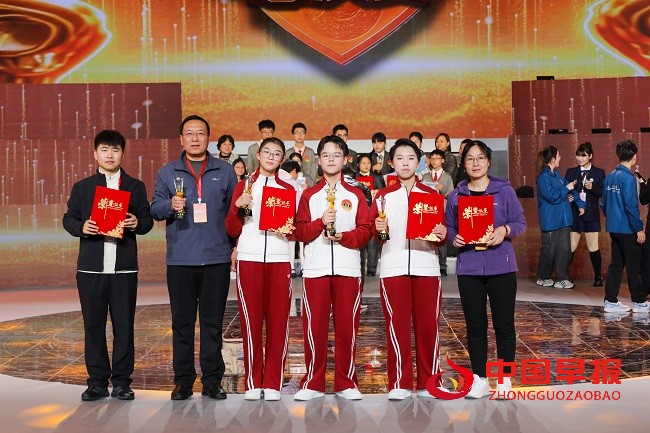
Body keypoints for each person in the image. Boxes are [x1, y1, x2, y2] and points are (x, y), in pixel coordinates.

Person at [63, 129, 154, 401]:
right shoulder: (83, 187)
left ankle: (122, 382)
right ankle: (97, 382)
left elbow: (147, 220)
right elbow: (69, 219)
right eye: (104, 150)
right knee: (93, 326)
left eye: (115, 150)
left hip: (123, 268)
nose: (110, 155)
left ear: (122, 154)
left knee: (124, 326)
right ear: (95, 154)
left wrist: (137, 223)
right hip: (91, 268)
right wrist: (82, 227)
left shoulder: (134, 186)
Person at [151, 115, 237, 401]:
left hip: (216, 258)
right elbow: (154, 209)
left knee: (212, 324)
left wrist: (235, 247)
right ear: (181, 139)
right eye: (189, 133)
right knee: (182, 324)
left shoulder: (225, 171)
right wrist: (169, 204)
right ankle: (183, 381)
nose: (195, 138)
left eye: (200, 133)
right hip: (180, 259)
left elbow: (234, 214)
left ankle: (212, 381)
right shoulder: (167, 172)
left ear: (208, 138)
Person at [293, 134, 373, 401]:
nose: (330, 159)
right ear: (318, 160)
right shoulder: (309, 195)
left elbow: (366, 231)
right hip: (315, 270)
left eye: (336, 155)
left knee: (346, 328)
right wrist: (319, 223)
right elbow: (300, 232)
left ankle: (346, 382)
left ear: (345, 159)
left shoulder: (356, 194)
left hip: (348, 269)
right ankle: (312, 383)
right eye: (326, 155)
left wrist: (343, 237)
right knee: (314, 328)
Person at [445, 140, 527, 399]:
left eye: (480, 158)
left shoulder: (504, 191)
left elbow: (520, 222)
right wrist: (454, 237)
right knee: (475, 326)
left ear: (489, 161)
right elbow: (449, 227)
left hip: (501, 265)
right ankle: (480, 379)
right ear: (464, 164)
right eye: (470, 159)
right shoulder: (456, 196)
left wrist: (505, 230)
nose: (476, 163)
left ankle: (504, 379)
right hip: (469, 267)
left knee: (504, 325)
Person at [371, 138, 447, 400]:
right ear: (392, 162)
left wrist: (442, 233)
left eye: (411, 158)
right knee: (397, 327)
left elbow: (441, 235)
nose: (405, 163)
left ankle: (430, 382)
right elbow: (376, 235)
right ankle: (399, 382)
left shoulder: (432, 196)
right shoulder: (382, 196)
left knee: (428, 328)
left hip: (427, 267)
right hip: (393, 267)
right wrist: (378, 230)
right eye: (400, 158)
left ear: (419, 162)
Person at [225, 137, 295, 401]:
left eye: (276, 153)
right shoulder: (244, 186)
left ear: (281, 159)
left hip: (279, 259)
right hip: (250, 259)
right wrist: (237, 207)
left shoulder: (289, 189)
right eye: (267, 151)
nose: (271, 156)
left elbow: (295, 229)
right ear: (258, 154)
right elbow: (231, 228)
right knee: (250, 322)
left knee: (278, 323)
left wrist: (288, 229)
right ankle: (253, 382)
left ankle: (274, 382)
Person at [601, 139, 648, 313]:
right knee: (634, 266)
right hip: (628, 229)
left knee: (617, 264)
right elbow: (631, 206)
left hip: (614, 228)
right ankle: (639, 302)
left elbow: (603, 204)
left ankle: (610, 301)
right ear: (634, 157)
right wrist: (639, 228)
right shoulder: (628, 178)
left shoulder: (610, 176)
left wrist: (613, 218)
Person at [535, 146, 585, 289]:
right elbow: (552, 196)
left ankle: (562, 278)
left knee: (564, 250)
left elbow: (570, 190)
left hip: (564, 220)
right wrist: (566, 189)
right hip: (550, 220)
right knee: (548, 251)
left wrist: (580, 204)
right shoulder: (543, 177)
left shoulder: (557, 175)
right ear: (552, 159)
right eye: (558, 155)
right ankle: (543, 277)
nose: (560, 158)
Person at [564, 142, 606, 286]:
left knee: (593, 247)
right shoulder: (571, 172)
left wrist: (593, 187)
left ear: (590, 156)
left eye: (583, 156)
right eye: (578, 155)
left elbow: (602, 193)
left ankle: (598, 278)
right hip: (575, 213)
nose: (580, 158)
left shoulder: (599, 172)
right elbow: (566, 189)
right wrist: (568, 197)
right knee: (571, 246)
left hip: (591, 214)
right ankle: (565, 276)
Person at [422, 148, 454, 276]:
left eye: (437, 158)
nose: (435, 161)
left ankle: (442, 265)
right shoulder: (425, 176)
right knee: (427, 236)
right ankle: (428, 263)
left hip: (442, 209)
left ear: (443, 160)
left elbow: (452, 194)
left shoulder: (447, 176)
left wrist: (442, 190)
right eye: (432, 159)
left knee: (441, 236)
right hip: (428, 210)